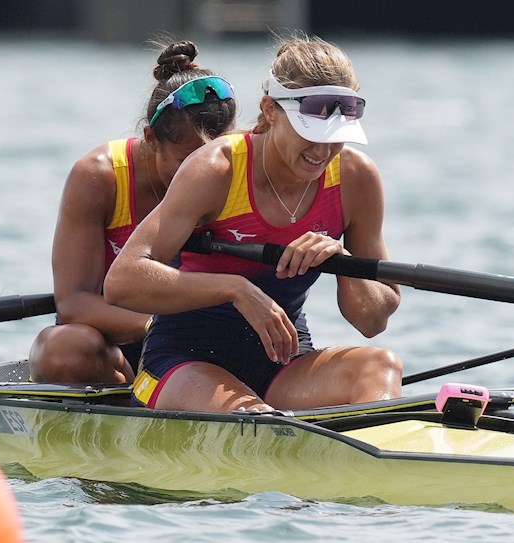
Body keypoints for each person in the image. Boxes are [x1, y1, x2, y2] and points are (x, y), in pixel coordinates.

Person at [104, 34, 403, 412]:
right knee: (254, 420)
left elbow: (372, 321)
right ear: (270, 109)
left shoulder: (356, 180)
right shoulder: (217, 169)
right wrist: (235, 289)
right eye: (310, 134)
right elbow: (123, 281)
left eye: (336, 138)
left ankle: (382, 458)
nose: (323, 152)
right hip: (182, 361)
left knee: (381, 366)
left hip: (282, 364)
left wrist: (343, 262)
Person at [28, 40, 237, 384]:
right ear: (151, 138)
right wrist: (164, 327)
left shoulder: (238, 167)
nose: (204, 170)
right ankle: (135, 396)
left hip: (212, 342)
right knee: (59, 350)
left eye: (216, 156)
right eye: (187, 160)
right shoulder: (99, 176)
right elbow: (74, 303)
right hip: (121, 344)